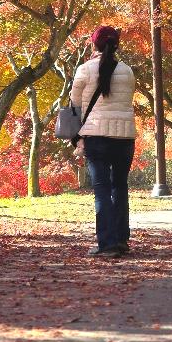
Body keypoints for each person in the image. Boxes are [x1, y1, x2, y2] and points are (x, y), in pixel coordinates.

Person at [71, 26, 136, 258]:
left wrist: (76, 137)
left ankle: (107, 243)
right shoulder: (127, 71)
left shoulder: (85, 69)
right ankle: (121, 239)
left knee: (101, 190)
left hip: (96, 136)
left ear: (93, 45)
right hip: (125, 136)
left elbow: (74, 103)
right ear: (116, 45)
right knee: (120, 186)